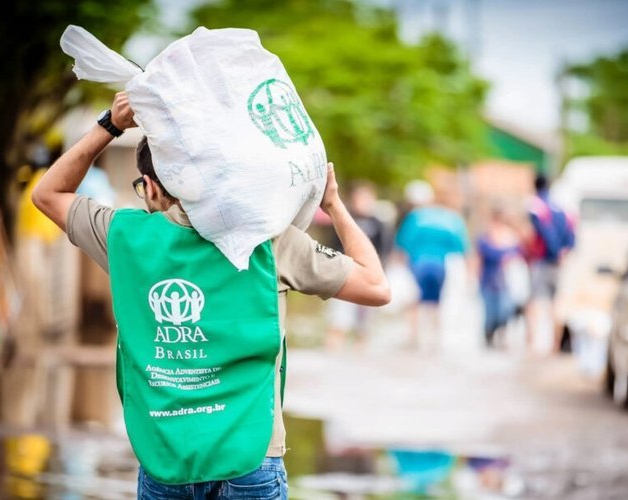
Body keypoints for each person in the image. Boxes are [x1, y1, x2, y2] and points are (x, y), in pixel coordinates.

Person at [31, 92, 390, 499]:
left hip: (166, 461)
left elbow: (47, 195)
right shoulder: (270, 243)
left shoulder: (124, 238)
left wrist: (109, 125)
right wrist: (334, 204)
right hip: (252, 460)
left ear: (149, 186)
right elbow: (376, 287)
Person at [393, 180, 470, 350]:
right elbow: (462, 249)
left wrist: (400, 269)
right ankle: (436, 339)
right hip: (441, 265)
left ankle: (414, 337)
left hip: (417, 263)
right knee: (438, 302)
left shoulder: (417, 216)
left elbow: (402, 245)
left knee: (414, 300)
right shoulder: (453, 219)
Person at [325, 181, 388, 349]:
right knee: (340, 315)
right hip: (345, 272)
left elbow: (383, 249)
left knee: (365, 317)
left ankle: (361, 346)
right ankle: (334, 345)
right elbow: (332, 245)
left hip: (366, 274)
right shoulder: (345, 218)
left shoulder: (377, 223)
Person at [523, 174, 574, 352]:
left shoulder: (536, 207)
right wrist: (563, 251)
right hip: (559, 262)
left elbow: (544, 231)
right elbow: (572, 235)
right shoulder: (561, 209)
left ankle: (531, 343)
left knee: (534, 302)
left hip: (542, 260)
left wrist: (553, 250)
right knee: (556, 303)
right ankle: (554, 345)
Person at [475, 206, 520, 347]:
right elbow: (480, 257)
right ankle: (489, 335)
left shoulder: (510, 236)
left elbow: (517, 253)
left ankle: (501, 335)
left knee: (504, 310)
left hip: (504, 280)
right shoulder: (484, 238)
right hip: (488, 279)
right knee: (490, 312)